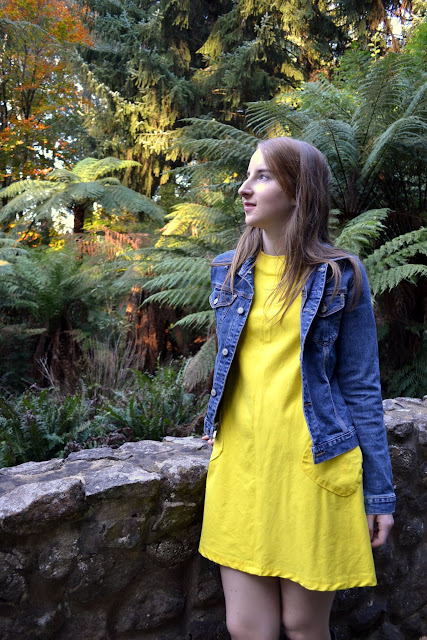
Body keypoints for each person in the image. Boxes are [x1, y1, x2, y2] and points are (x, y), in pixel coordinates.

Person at [199, 137, 395, 640]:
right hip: (241, 468)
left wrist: (379, 492)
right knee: (248, 627)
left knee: (303, 626)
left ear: (298, 190)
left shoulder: (340, 275)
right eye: (248, 175)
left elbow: (361, 388)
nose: (245, 188)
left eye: (262, 176)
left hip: (313, 468)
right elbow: (232, 366)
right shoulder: (227, 270)